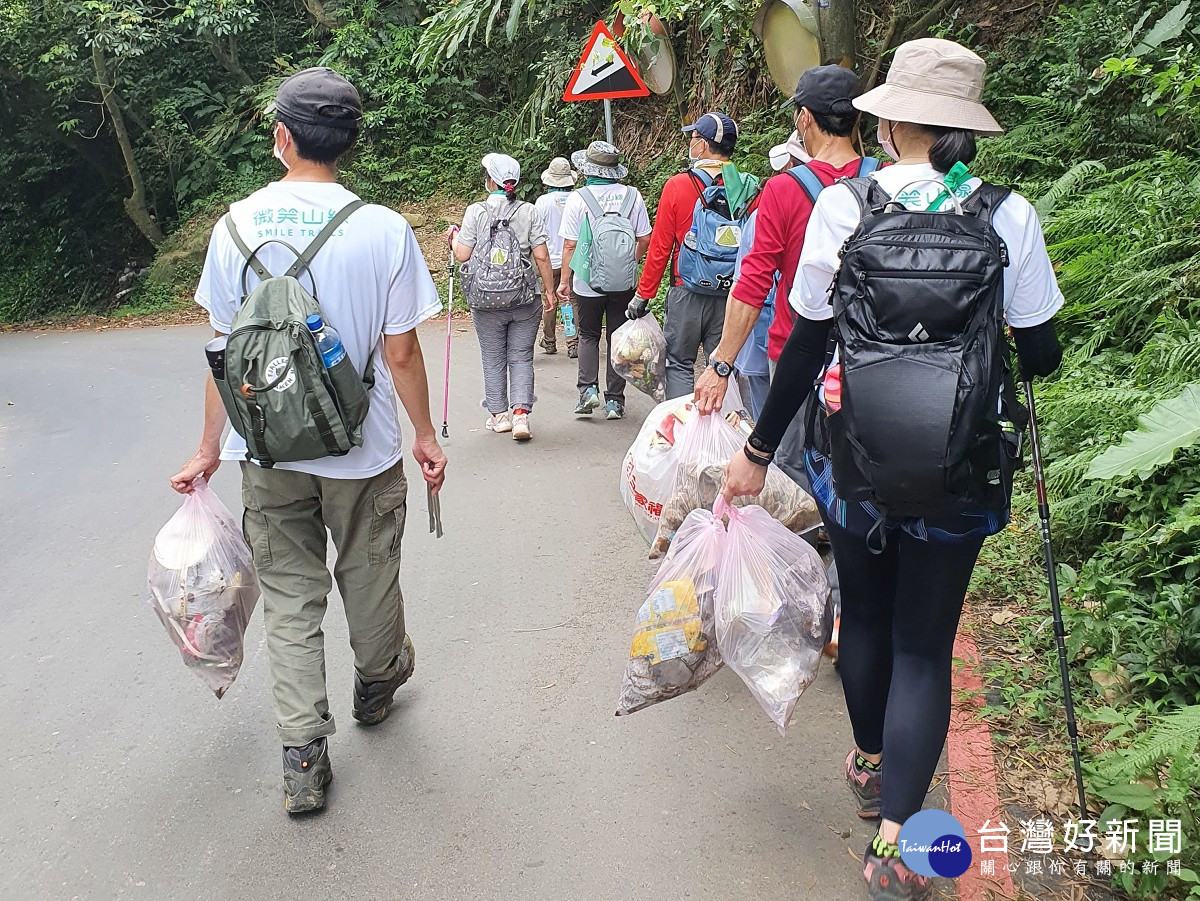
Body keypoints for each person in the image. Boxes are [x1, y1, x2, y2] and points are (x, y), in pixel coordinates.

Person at [722, 39, 1064, 899]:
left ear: (892, 117)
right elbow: (1044, 354)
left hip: (855, 462)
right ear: (964, 128)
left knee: (866, 622)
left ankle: (871, 757)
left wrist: (757, 451)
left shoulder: (848, 209)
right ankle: (900, 842)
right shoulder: (1007, 215)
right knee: (924, 645)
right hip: (959, 468)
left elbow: (803, 346)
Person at [169, 67, 448, 815]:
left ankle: (301, 755)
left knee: (291, 598)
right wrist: (425, 435)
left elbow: (225, 355)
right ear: (349, 142)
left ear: (283, 138)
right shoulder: (384, 228)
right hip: (362, 449)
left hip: (266, 453)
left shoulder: (232, 228)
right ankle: (379, 681)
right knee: (370, 574)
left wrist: (206, 448)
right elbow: (400, 353)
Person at [695, 66, 874, 491]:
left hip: (797, 351)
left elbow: (753, 283)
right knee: (859, 462)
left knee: (794, 466)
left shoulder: (784, 189)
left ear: (805, 118)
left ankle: (806, 547)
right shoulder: (882, 179)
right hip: (869, 351)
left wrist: (722, 363)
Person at [628, 112, 740, 399]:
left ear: (702, 145)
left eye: (693, 138)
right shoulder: (745, 186)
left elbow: (660, 247)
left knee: (679, 362)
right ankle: (718, 436)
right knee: (722, 365)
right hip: (730, 292)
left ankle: (682, 435)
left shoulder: (678, 185)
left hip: (686, 289)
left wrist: (644, 294)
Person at [450, 153, 556, 441]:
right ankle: (521, 415)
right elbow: (542, 256)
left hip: (485, 299)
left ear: (492, 181)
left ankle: (499, 416)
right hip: (524, 297)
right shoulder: (529, 211)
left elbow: (462, 254)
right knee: (521, 357)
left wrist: (453, 237)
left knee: (493, 357)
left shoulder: (476, 211)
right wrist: (549, 291)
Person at [558, 141, 652, 420]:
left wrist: (565, 280)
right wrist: (629, 262)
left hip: (587, 282)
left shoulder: (579, 198)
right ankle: (615, 401)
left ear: (588, 169)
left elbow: (570, 246)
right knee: (617, 337)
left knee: (588, 335)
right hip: (623, 283)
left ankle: (588, 391)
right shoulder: (632, 196)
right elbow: (645, 238)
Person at [535, 157, 579, 357]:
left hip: (548, 260)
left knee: (550, 299)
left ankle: (550, 340)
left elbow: (535, 233)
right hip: (572, 259)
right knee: (569, 300)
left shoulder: (543, 202)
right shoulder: (578, 198)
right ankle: (572, 342)